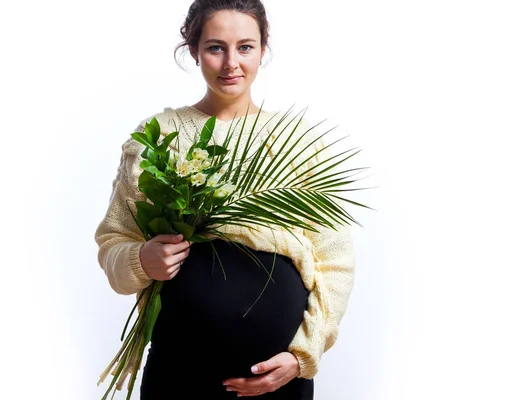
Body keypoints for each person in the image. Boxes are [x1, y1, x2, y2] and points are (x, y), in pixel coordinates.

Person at [94, 0, 355, 398]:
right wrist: (140, 259)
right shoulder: (157, 137)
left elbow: (335, 260)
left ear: (263, 50)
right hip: (179, 373)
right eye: (216, 47)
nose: (231, 63)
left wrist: (303, 354)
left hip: (276, 379)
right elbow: (115, 240)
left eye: (245, 47)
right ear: (194, 49)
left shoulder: (297, 143)